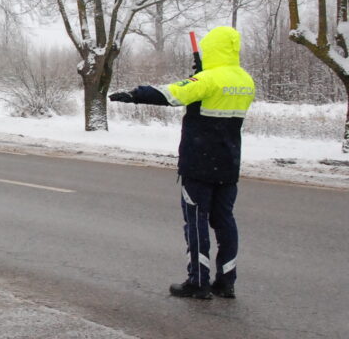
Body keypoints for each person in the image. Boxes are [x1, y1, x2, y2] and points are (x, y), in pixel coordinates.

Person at [109, 26, 255, 300]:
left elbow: (173, 94)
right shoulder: (245, 80)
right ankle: (226, 281)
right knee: (225, 221)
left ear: (211, 50)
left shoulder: (207, 79)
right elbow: (212, 93)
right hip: (228, 163)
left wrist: (136, 94)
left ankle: (198, 282)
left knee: (196, 221)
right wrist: (201, 75)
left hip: (199, 163)